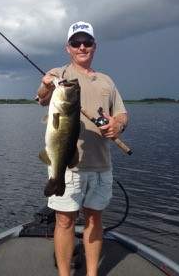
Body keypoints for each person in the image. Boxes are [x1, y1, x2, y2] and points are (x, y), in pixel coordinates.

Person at [37, 21, 128, 276]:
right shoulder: (59, 75)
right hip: (67, 165)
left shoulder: (107, 81)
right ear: (68, 48)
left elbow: (121, 114)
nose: (82, 47)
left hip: (101, 165)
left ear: (94, 47)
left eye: (87, 42)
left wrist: (117, 125)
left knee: (94, 220)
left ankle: (91, 274)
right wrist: (46, 84)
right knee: (64, 220)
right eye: (76, 43)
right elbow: (42, 98)